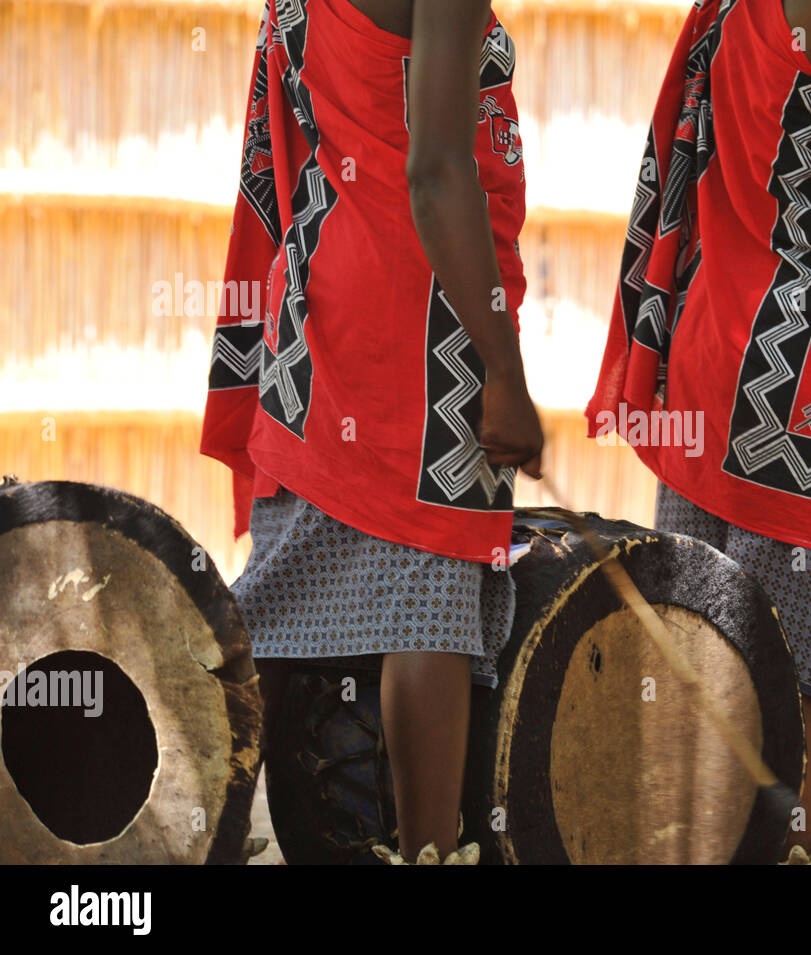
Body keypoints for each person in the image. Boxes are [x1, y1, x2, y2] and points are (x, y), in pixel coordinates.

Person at [586, 0, 811, 862]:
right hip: (809, 393)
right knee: (796, 706)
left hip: (705, 371)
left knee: (706, 685)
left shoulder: (733, 11)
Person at [201, 0, 542, 865]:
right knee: (432, 587)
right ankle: (430, 851)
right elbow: (435, 173)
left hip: (314, 307)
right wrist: (502, 372)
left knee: (272, 602)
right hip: (425, 314)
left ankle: (203, 823)